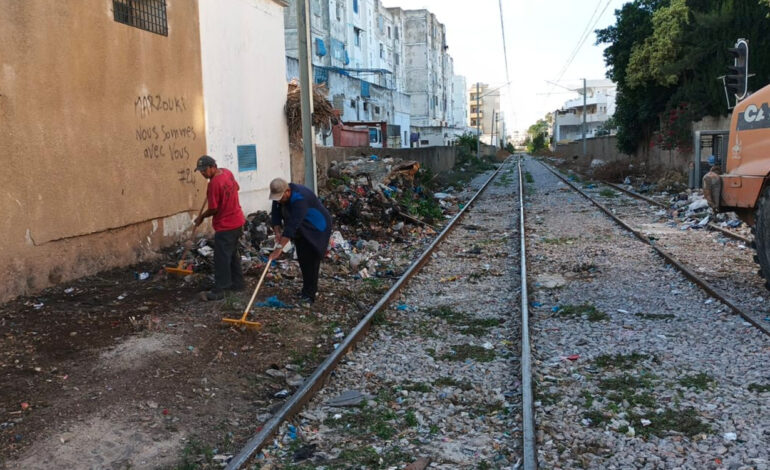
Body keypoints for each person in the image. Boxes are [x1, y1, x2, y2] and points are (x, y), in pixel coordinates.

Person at [268, 178, 332, 304]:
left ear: (287, 191)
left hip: (316, 227)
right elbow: (275, 213)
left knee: (311, 259)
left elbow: (292, 225)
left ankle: (310, 294)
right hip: (302, 228)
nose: (279, 200)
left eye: (280, 197)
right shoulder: (280, 197)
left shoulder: (300, 198)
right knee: (303, 258)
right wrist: (277, 231)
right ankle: (306, 290)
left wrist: (279, 249)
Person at [193, 155, 246, 301]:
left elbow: (214, 209)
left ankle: (220, 289)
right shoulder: (227, 172)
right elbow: (237, 187)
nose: (203, 174)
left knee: (221, 258)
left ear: (212, 167)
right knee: (232, 254)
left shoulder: (214, 184)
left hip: (226, 225)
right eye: (201, 171)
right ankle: (238, 284)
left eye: (204, 170)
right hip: (238, 221)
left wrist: (202, 217)